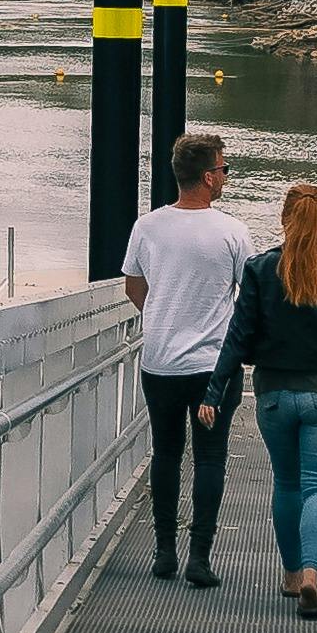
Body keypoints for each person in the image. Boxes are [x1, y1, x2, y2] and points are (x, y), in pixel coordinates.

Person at [203, 182, 317, 620]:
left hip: (276, 394)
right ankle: (314, 573)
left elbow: (237, 337)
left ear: (283, 218)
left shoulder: (260, 270)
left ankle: (293, 574)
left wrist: (215, 391)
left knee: (288, 484)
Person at [118, 130, 252, 586]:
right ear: (209, 178)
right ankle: (200, 557)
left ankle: (163, 551)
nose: (226, 175)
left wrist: (160, 314)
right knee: (210, 457)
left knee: (166, 452)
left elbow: (133, 284)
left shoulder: (147, 227)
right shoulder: (232, 231)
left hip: (160, 363)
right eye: (224, 168)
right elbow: (247, 295)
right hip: (214, 369)